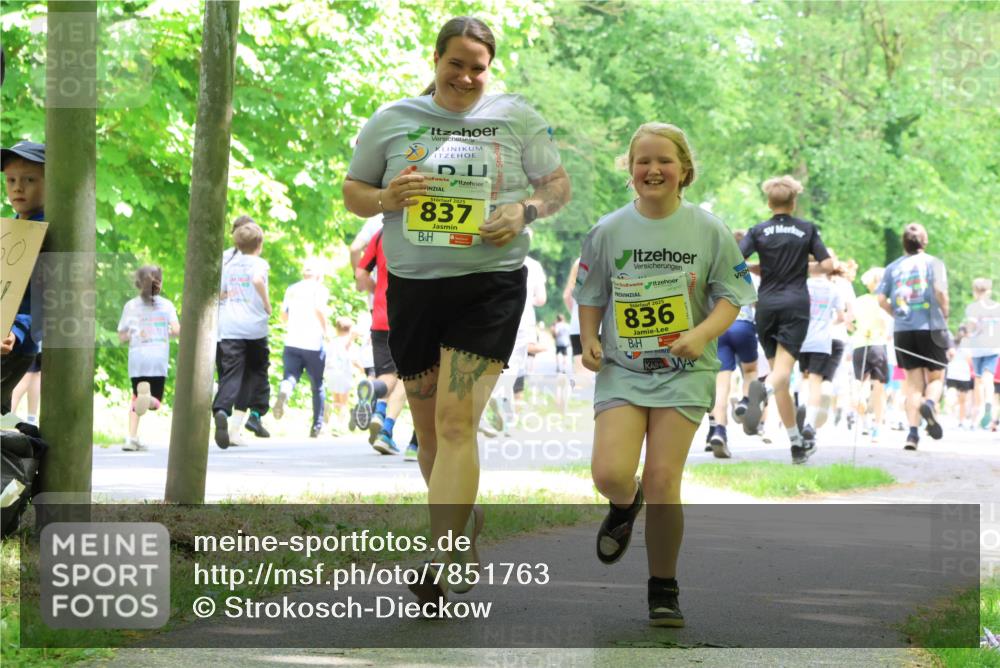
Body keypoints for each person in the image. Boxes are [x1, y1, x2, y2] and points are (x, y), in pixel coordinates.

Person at [342, 16, 570, 607]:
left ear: (490, 68)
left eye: (479, 67)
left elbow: (557, 187)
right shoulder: (393, 120)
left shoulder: (515, 118)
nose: (467, 76)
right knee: (428, 433)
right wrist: (386, 198)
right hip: (414, 291)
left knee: (454, 422)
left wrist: (524, 212)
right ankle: (460, 538)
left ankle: (437, 556)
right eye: (457, 64)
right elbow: (352, 192)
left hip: (488, 286)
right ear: (437, 58)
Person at [576, 122, 755, 627]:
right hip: (624, 370)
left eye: (665, 161)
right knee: (610, 473)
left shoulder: (709, 228)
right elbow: (590, 295)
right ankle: (622, 503)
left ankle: (663, 587)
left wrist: (701, 334)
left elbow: (734, 296)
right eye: (642, 162)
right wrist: (589, 337)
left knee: (662, 479)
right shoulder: (608, 230)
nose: (653, 170)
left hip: (685, 370)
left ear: (684, 170)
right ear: (630, 172)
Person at [739, 175, 834, 464]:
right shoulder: (806, 229)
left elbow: (735, 258)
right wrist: (802, 263)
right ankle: (760, 391)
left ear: (769, 202)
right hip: (795, 305)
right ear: (794, 202)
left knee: (781, 375)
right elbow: (828, 264)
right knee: (781, 374)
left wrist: (759, 267)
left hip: (766, 305)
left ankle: (795, 444)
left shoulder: (758, 230)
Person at [877, 223, 950, 451]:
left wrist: (896, 314)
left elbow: (880, 299)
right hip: (931, 327)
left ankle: (912, 435)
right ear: (924, 242)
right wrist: (945, 312)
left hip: (904, 330)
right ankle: (929, 404)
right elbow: (940, 292)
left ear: (904, 243)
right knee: (936, 378)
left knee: (912, 384)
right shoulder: (934, 264)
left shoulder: (892, 268)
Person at [354, 227, 416, 458]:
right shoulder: (427, 229)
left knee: (389, 375)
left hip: (381, 316)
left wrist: (377, 290)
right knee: (409, 377)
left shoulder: (382, 234)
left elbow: (361, 272)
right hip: (411, 316)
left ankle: (374, 393)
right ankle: (386, 425)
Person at [212, 221, 271, 449]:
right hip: (254, 327)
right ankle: (248, 417)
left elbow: (221, 293)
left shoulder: (230, 264)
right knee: (255, 373)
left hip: (230, 327)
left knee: (230, 374)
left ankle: (221, 410)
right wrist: (267, 305)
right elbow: (257, 280)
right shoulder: (259, 263)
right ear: (259, 245)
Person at [1, 141, 45, 417]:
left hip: (16, 344)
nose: (18, 187)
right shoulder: (11, 229)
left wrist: (14, 332)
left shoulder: (44, 235)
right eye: (11, 179)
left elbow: (41, 304)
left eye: (29, 179)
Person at [706, 231, 759, 458]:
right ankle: (746, 401)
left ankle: (719, 430)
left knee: (721, 384)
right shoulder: (745, 271)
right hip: (743, 325)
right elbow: (754, 301)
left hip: (719, 328)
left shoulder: (712, 269)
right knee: (751, 370)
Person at [117, 265, 180, 451]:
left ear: (138, 283)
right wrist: (166, 333)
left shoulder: (130, 306)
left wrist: (135, 334)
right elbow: (177, 330)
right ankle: (150, 399)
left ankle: (131, 438)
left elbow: (121, 336)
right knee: (153, 404)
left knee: (136, 397)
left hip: (138, 359)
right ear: (159, 283)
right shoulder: (167, 306)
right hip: (157, 359)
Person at [273, 258, 329, 438]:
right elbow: (319, 310)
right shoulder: (319, 290)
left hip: (292, 341)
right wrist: (325, 331)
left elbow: (283, 315)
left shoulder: (292, 289)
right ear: (319, 275)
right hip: (313, 343)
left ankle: (285, 390)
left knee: (290, 376)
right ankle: (316, 426)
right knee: (317, 385)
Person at [795, 262, 846, 450]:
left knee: (804, 378)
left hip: (802, 338)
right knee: (816, 381)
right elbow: (842, 317)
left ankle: (801, 405)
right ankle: (809, 422)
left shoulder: (801, 285)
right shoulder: (834, 289)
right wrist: (827, 323)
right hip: (822, 339)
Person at [850, 267, 893, 442]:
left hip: (859, 345)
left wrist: (857, 330)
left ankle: (863, 418)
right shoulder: (884, 301)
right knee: (879, 388)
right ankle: (877, 427)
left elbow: (849, 323)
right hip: (878, 345)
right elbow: (884, 322)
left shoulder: (858, 301)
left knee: (859, 385)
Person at [962, 278, 999, 429]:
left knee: (978, 380)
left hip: (977, 349)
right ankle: (988, 403)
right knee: (988, 378)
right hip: (993, 348)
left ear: (975, 292)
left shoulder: (973, 308)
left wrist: (967, 348)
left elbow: (970, 329)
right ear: (989, 291)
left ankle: (980, 408)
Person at [324, 316, 364, 434]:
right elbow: (354, 360)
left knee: (336, 397)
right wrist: (363, 369)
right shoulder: (350, 343)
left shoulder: (332, 342)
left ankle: (329, 410)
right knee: (344, 403)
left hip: (331, 373)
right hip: (344, 373)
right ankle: (339, 426)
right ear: (350, 329)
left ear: (337, 329)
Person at [945, 326, 974, 430]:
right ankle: (960, 422)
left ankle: (954, 420)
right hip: (963, 375)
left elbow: (948, 357)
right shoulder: (968, 345)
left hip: (953, 373)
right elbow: (970, 360)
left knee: (953, 399)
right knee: (961, 401)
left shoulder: (952, 343)